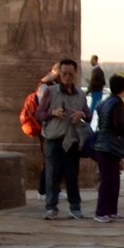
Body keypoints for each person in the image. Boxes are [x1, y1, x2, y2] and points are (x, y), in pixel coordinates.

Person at [36, 59, 89, 221]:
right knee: (52, 174)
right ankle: (51, 207)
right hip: (53, 138)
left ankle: (75, 207)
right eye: (64, 74)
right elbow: (39, 114)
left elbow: (89, 114)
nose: (67, 77)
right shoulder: (50, 92)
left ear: (75, 74)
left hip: (72, 139)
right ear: (59, 74)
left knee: (72, 174)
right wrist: (53, 113)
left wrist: (82, 115)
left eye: (70, 74)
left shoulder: (80, 94)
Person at [90, 74, 124, 222]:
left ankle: (110, 211)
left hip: (103, 145)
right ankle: (102, 212)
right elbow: (118, 124)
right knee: (109, 180)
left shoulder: (105, 102)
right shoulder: (117, 103)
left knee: (113, 180)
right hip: (109, 146)